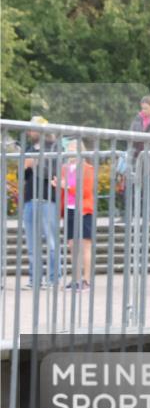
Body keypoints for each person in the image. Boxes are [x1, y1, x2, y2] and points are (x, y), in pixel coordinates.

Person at [21, 117, 61, 289]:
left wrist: (35, 163)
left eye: (33, 128)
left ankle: (53, 278)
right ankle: (34, 279)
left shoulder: (54, 147)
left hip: (47, 199)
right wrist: (24, 167)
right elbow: (24, 178)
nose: (30, 132)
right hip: (30, 200)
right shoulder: (29, 148)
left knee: (51, 242)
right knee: (32, 244)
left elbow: (55, 172)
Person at [57, 139, 96, 292]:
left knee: (85, 245)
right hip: (69, 209)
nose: (70, 151)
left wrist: (66, 186)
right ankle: (75, 279)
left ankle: (86, 280)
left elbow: (85, 192)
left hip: (83, 209)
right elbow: (62, 190)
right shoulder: (64, 168)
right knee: (73, 246)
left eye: (73, 148)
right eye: (69, 148)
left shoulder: (87, 168)